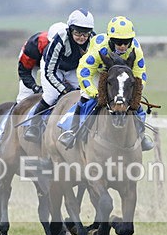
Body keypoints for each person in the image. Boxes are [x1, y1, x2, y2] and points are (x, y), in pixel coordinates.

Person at [64, 15, 154, 151]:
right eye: (118, 42)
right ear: (111, 40)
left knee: (136, 104)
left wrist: (135, 95)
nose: (123, 46)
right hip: (99, 73)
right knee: (86, 98)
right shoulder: (100, 47)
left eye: (126, 42)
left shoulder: (135, 49)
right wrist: (94, 92)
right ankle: (73, 131)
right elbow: (84, 72)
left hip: (123, 76)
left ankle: (141, 136)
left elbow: (139, 75)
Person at [24, 9, 95, 142]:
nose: (82, 37)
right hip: (52, 67)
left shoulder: (93, 40)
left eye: (86, 34)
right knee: (51, 96)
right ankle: (33, 126)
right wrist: (63, 88)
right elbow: (50, 71)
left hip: (73, 68)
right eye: (78, 33)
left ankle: (78, 126)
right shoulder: (61, 38)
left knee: (84, 94)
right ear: (70, 30)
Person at [16, 22, 68, 103]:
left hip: (54, 65)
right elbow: (24, 71)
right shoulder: (33, 46)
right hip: (32, 63)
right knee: (25, 95)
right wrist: (34, 87)